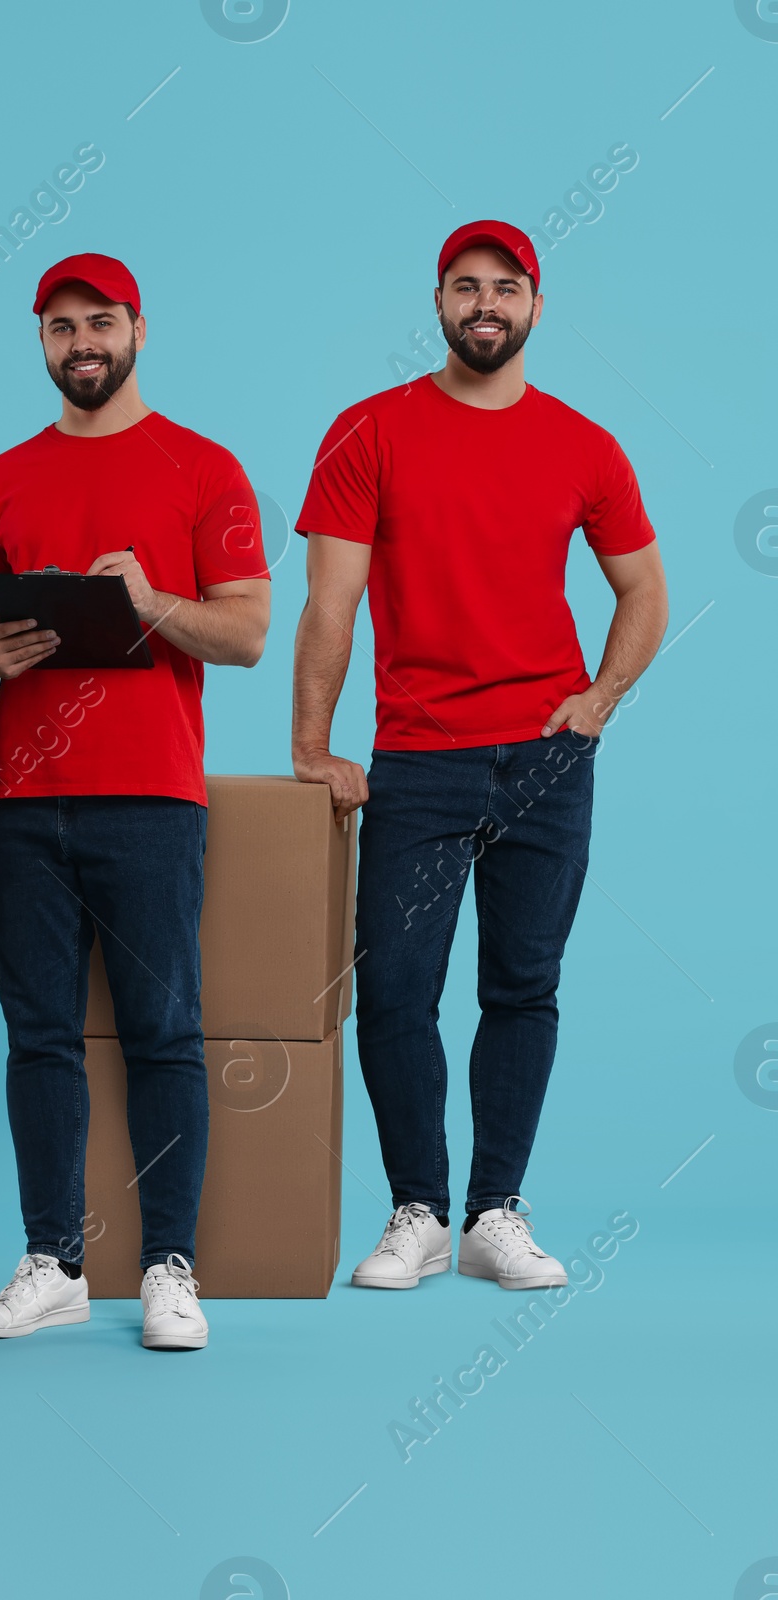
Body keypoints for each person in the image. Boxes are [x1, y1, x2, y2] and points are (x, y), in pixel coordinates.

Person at [291, 222, 669, 1292]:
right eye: (466, 286)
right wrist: (311, 745)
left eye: (505, 287)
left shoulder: (582, 444)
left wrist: (597, 699)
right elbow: (332, 604)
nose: (485, 303)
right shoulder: (369, 431)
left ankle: (494, 1212)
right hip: (418, 756)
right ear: (438, 302)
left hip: (545, 761)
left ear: (535, 308)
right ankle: (416, 1208)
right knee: (397, 990)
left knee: (523, 985)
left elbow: (644, 591)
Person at [0, 253, 271, 1350]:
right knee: (39, 1035)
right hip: (22, 798)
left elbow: (247, 633)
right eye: (58, 326)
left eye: (99, 322)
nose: (80, 342)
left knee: (162, 1033)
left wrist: (151, 601)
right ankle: (54, 1262)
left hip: (151, 796)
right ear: (39, 341)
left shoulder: (204, 468)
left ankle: (169, 1266)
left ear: (138, 328)